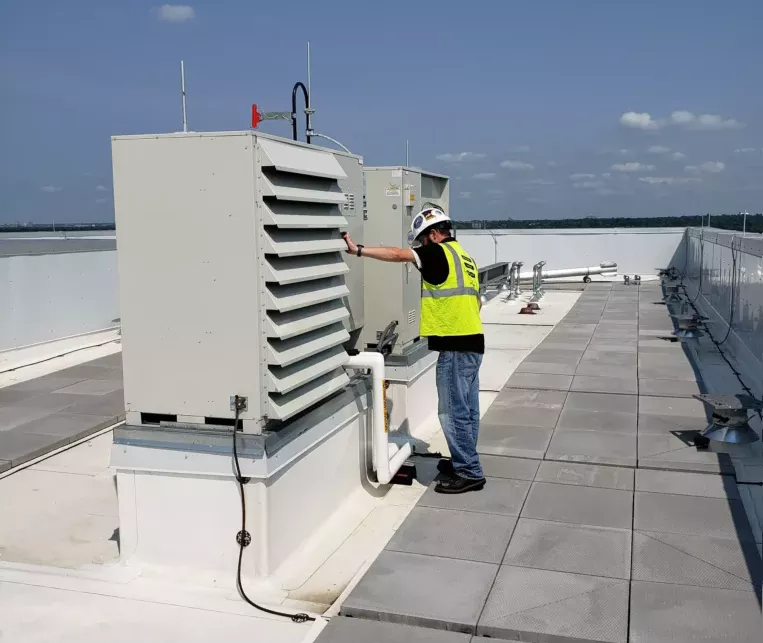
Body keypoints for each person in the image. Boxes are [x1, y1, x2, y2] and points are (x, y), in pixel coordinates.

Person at [342, 207, 486, 494]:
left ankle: (469, 471)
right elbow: (477, 303)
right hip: (473, 343)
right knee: (468, 410)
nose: (419, 247)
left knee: (452, 412)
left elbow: (397, 254)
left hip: (455, 346)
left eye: (421, 240)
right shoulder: (465, 258)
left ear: (434, 235)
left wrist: (357, 250)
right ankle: (463, 462)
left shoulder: (437, 253)